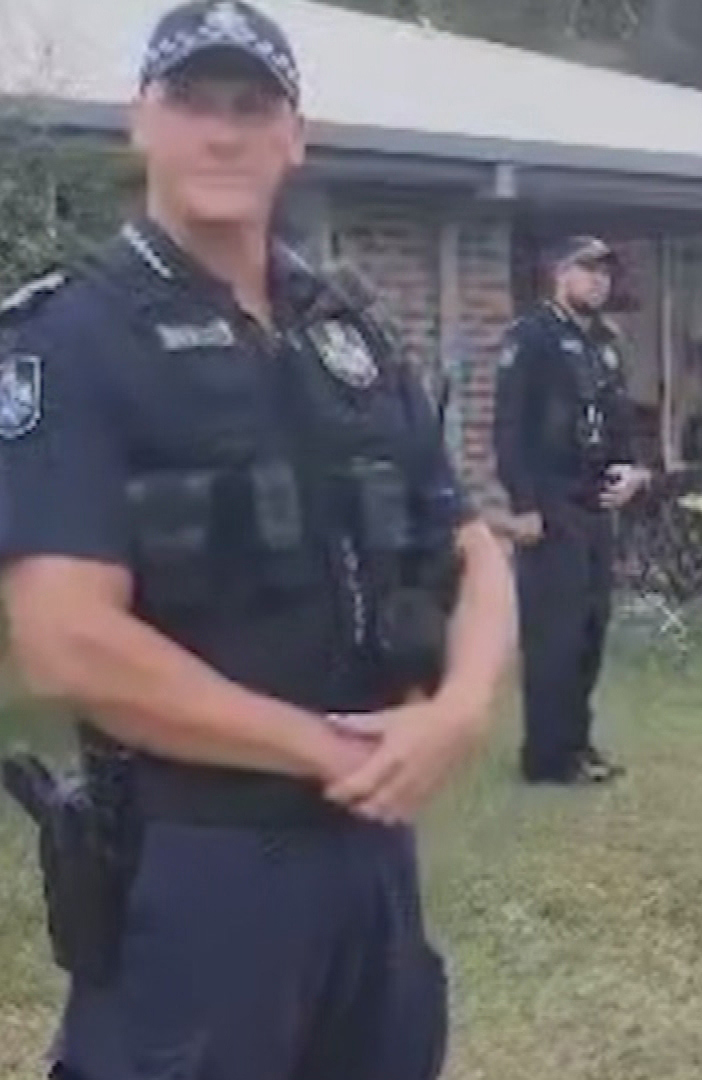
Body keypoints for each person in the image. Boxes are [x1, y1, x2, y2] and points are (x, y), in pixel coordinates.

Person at [0, 3, 516, 1077]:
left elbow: (472, 546)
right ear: (141, 123)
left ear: (296, 135)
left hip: (373, 858)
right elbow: (65, 641)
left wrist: (461, 713)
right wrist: (328, 750)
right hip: (201, 864)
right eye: (193, 103)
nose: (222, 134)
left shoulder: (349, 329)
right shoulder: (75, 340)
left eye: (252, 106)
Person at [492, 235, 651, 785]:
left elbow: (621, 422)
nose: (600, 282)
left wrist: (634, 471)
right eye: (589, 271)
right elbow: (509, 428)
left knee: (590, 630)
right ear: (561, 273)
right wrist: (524, 504)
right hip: (551, 502)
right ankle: (546, 757)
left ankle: (577, 745)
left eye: (606, 273)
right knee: (552, 635)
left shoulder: (604, 341)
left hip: (594, 503)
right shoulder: (530, 338)